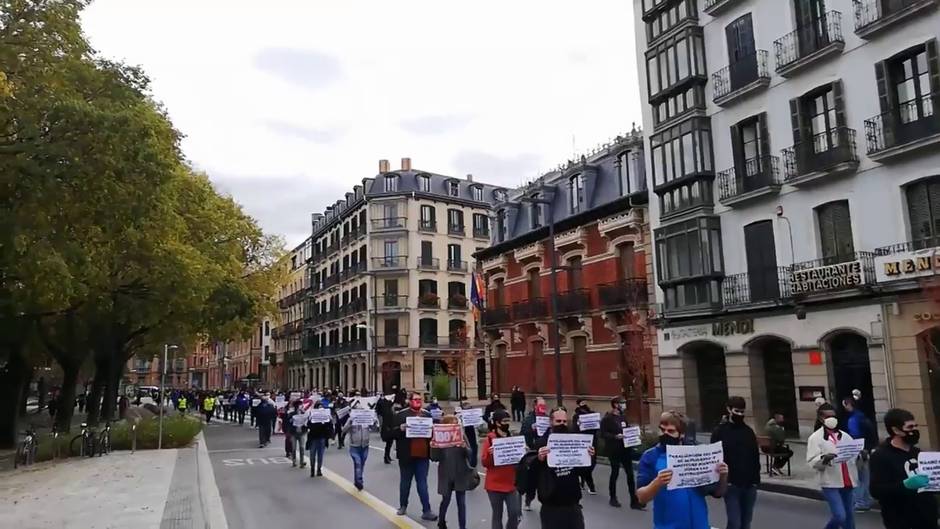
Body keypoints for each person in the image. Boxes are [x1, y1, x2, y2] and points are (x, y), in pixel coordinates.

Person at [637, 411, 729, 529]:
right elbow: (641, 497)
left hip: (700, 525)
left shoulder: (697, 453)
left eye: (671, 431)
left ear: (682, 434)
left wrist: (723, 476)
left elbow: (718, 493)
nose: (665, 434)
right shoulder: (650, 456)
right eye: (662, 429)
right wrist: (657, 483)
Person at [870, 407, 937, 529]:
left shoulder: (918, 453)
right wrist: (904, 485)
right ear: (896, 430)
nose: (915, 430)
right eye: (910, 428)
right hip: (900, 519)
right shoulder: (880, 456)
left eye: (916, 426)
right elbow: (876, 490)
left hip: (927, 518)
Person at [528, 407, 594, 529]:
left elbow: (583, 471)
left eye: (564, 421)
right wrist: (539, 459)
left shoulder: (574, 441)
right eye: (558, 421)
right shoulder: (541, 443)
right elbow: (531, 475)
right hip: (551, 506)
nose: (562, 424)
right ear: (551, 422)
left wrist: (589, 457)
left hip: (572, 504)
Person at [710, 396, 760, 529]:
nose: (740, 414)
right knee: (734, 522)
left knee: (746, 522)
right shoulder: (720, 432)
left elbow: (754, 456)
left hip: (749, 484)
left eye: (742, 412)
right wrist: (721, 480)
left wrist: (755, 481)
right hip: (731, 484)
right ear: (729, 409)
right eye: (737, 411)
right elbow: (713, 458)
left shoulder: (748, 432)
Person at [807, 403, 858, 529]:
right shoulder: (816, 438)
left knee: (849, 516)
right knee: (840, 516)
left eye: (833, 416)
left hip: (847, 480)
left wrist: (860, 454)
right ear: (820, 418)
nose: (832, 419)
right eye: (828, 416)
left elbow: (852, 455)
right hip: (830, 482)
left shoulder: (845, 435)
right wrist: (824, 459)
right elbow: (812, 462)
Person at [392, 392, 438, 521]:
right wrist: (400, 429)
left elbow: (432, 435)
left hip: (422, 456)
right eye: (415, 399)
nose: (418, 401)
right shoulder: (401, 415)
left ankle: (427, 510)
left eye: (420, 399)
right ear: (410, 401)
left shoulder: (427, 415)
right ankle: (403, 506)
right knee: (405, 483)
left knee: (422, 484)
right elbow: (388, 434)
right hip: (407, 456)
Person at [431, 415, 475, 529]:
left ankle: (462, 526)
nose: (456, 426)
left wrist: (464, 447)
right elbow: (434, 457)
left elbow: (470, 454)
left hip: (461, 472)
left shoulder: (461, 435)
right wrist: (434, 447)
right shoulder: (439, 437)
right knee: (446, 500)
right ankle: (441, 521)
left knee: (461, 502)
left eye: (457, 423)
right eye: (453, 423)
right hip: (446, 473)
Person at [600, 397, 643, 509]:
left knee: (630, 474)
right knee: (615, 473)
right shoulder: (607, 418)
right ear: (615, 404)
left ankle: (634, 501)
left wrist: (633, 434)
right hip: (614, 450)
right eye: (621, 403)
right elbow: (603, 434)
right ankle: (613, 498)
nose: (624, 405)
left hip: (625, 449)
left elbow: (626, 430)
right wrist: (615, 436)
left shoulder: (623, 417)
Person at [482, 410, 521, 529]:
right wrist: (490, 454)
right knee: (497, 516)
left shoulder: (513, 438)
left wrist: (522, 452)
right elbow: (485, 463)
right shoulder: (490, 439)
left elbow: (519, 462)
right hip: (494, 485)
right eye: (504, 421)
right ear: (497, 423)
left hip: (511, 484)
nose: (507, 423)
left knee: (515, 514)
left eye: (508, 421)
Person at [842, 396, 877, 512]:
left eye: (846, 405)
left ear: (850, 405)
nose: (845, 408)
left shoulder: (853, 419)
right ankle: (866, 499)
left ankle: (860, 501)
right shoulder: (862, 417)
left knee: (858, 477)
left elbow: (855, 436)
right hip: (865, 449)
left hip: (858, 451)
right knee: (865, 476)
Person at [521, 397, 548, 511]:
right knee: (532, 480)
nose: (542, 408)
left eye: (544, 405)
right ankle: (528, 499)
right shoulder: (528, 419)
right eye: (540, 405)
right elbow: (523, 433)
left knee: (545, 479)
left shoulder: (547, 419)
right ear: (535, 406)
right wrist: (531, 429)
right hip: (533, 454)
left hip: (546, 454)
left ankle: (546, 501)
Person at [343, 400, 373, 490]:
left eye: (361, 410)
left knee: (362, 464)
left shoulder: (366, 418)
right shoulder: (351, 419)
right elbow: (344, 430)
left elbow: (373, 427)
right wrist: (350, 423)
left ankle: (358, 480)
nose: (360, 412)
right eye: (358, 410)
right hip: (354, 446)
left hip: (365, 445)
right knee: (358, 463)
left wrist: (374, 421)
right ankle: (359, 482)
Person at [572, 398, 598, 495]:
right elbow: (575, 429)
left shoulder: (592, 414)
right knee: (585, 464)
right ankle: (591, 486)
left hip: (592, 441)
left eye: (585, 402)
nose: (584, 404)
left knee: (592, 462)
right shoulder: (576, 416)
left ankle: (582, 479)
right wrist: (579, 425)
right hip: (582, 442)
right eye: (582, 403)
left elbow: (596, 427)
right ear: (578, 405)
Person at [306, 401, 333, 477]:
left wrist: (329, 419)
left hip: (322, 437)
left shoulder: (326, 417)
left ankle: (319, 469)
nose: (320, 409)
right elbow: (308, 425)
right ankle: (312, 469)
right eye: (319, 407)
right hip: (313, 438)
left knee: (320, 455)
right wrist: (310, 419)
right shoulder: (312, 416)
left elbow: (330, 426)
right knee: (312, 455)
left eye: (322, 407)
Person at [286, 400, 308, 468]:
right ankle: (294, 461)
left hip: (302, 432)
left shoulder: (304, 413)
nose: (301, 406)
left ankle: (302, 462)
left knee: (302, 447)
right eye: (300, 405)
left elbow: (308, 421)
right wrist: (291, 420)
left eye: (302, 405)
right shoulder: (292, 414)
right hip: (293, 433)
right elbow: (288, 422)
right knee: (294, 448)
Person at [377, 391, 396, 464]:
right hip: (387, 427)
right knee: (388, 443)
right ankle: (386, 457)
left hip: (390, 426)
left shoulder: (389, 406)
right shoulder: (385, 405)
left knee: (390, 443)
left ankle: (388, 456)